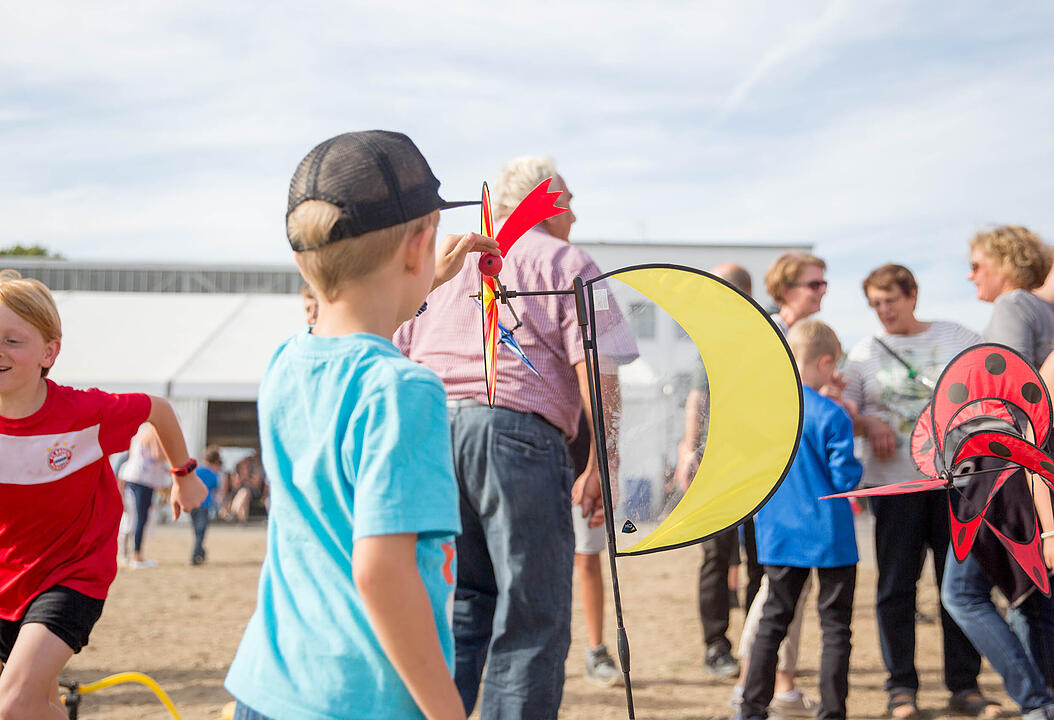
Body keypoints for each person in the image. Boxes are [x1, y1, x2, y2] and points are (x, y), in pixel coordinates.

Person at [224, 131, 498, 720]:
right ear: (417, 246)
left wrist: (423, 284)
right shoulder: (406, 390)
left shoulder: (285, 364)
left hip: (268, 685)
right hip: (362, 699)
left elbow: (347, 349)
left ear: (303, 260)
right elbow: (382, 575)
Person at [397, 155, 637, 718]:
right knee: (532, 615)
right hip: (515, 437)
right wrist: (605, 459)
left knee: (463, 605)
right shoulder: (565, 260)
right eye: (569, 201)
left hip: (434, 435)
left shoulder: (446, 262)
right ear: (546, 201)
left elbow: (397, 346)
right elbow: (597, 367)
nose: (574, 215)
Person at [0, 269, 205, 720]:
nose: (0, 350)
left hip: (71, 576)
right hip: (7, 580)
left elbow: (158, 409)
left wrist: (183, 474)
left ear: (49, 351)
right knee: (37, 706)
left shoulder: (86, 413)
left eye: (12, 340)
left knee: (13, 705)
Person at [842, 264, 994, 720]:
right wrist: (868, 422)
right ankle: (901, 689)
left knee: (959, 587)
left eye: (891, 299)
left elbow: (990, 391)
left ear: (912, 295)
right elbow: (843, 410)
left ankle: (965, 686)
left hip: (956, 483)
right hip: (894, 485)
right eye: (875, 303)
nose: (884, 310)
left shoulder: (958, 337)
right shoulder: (864, 353)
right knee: (895, 588)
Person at [940, 225, 1054, 720]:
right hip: (1036, 474)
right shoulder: (1048, 311)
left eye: (977, 265)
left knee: (961, 593)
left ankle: (1035, 701)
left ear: (1007, 263)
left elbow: (1012, 395)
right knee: (1029, 594)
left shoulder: (1015, 306)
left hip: (1000, 470)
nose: (970, 276)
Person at [733, 320, 863, 720]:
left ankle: (751, 707)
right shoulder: (833, 415)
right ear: (825, 363)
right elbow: (844, 478)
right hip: (831, 535)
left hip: (780, 534)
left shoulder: (769, 412)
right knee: (836, 628)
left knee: (774, 622)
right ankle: (832, 712)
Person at [731, 251, 832, 716]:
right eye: (814, 284)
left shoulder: (805, 339)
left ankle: (781, 686)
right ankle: (753, 684)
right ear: (787, 287)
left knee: (785, 590)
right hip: (774, 479)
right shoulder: (767, 331)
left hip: (797, 479)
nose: (822, 291)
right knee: (776, 589)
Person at [674, 262, 761, 679]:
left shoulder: (765, 338)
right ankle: (716, 646)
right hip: (716, 466)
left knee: (761, 557)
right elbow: (697, 397)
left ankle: (761, 642)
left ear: (743, 293)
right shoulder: (709, 342)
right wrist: (689, 451)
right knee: (716, 555)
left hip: (762, 464)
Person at [118, 423, 171, 569]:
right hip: (142, 480)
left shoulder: (142, 431)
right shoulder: (153, 432)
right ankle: (136, 555)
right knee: (140, 518)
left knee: (135, 518)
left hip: (137, 479)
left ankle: (130, 554)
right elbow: (157, 455)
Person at [189, 445, 222, 565]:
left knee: (197, 531)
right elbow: (216, 491)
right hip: (205, 505)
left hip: (193, 505)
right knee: (201, 532)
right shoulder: (214, 475)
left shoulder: (196, 471)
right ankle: (195, 555)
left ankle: (200, 553)